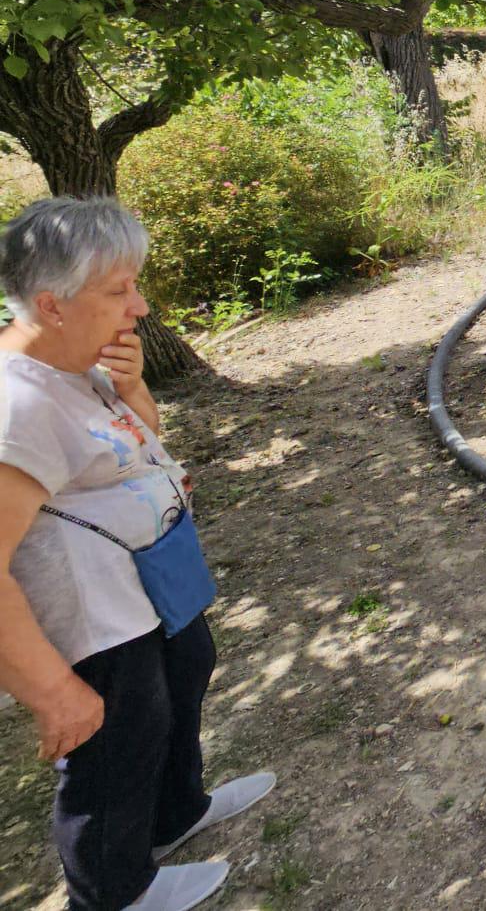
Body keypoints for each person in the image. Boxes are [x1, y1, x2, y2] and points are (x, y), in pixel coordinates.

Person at [0, 198, 273, 911]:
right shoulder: (16, 405)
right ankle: (114, 893)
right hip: (95, 616)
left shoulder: (78, 362)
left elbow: (141, 441)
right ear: (52, 305)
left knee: (187, 674)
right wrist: (53, 692)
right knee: (116, 745)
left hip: (149, 585)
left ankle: (176, 815)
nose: (140, 305)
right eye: (119, 290)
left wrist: (131, 386)